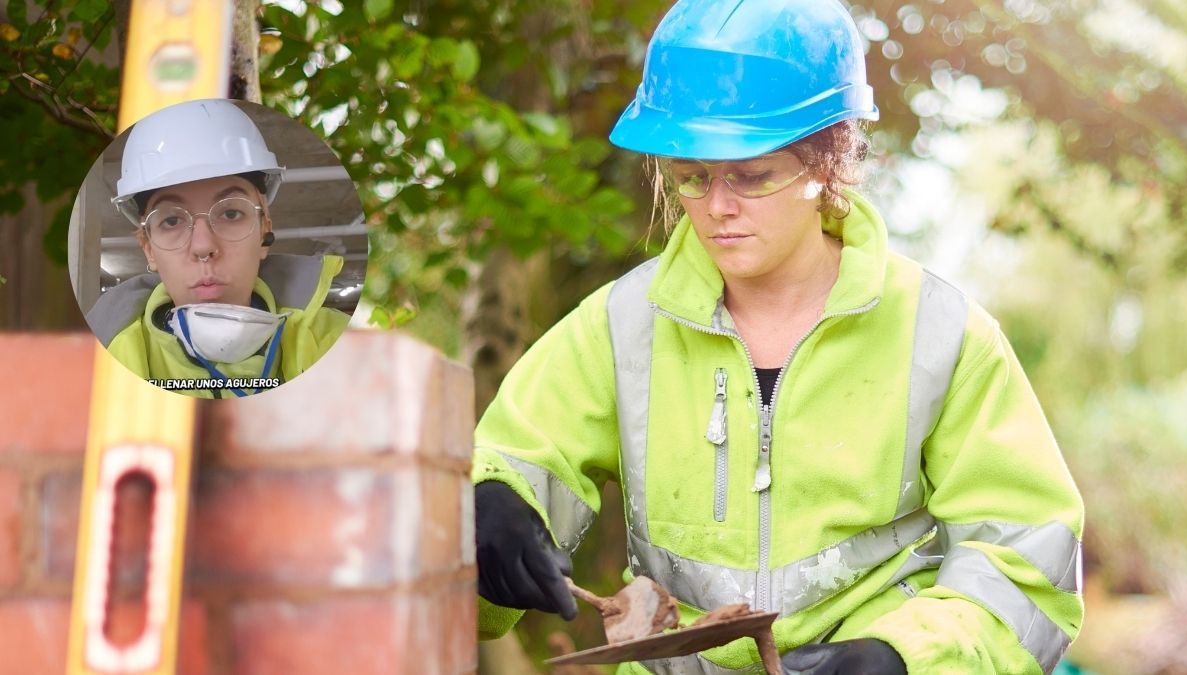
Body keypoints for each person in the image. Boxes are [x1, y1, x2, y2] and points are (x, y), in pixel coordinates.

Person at [472, 0, 1084, 673]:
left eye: (751, 175)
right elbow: (516, 457)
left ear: (829, 159)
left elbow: (1027, 554)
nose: (717, 207)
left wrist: (904, 657)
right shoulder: (621, 324)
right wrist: (491, 501)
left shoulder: (940, 333)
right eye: (692, 178)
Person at [86, 99, 349, 398]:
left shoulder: (339, 342)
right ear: (149, 249)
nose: (203, 246)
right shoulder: (97, 364)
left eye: (231, 214)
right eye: (171, 220)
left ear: (264, 229)